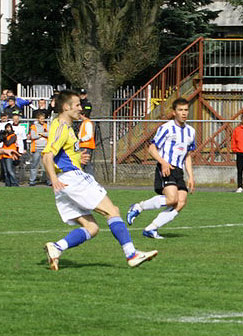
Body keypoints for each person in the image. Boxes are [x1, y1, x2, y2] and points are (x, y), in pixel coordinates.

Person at [41, 90, 157, 270]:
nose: (81, 108)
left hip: (67, 180)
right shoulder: (63, 127)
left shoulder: (63, 126)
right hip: (72, 180)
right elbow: (47, 156)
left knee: (92, 228)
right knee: (113, 211)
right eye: (77, 105)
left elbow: (59, 156)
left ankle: (57, 248)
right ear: (66, 107)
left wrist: (78, 160)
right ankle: (131, 254)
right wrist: (54, 179)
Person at [126, 98, 196, 239]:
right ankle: (139, 207)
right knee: (171, 199)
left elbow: (188, 155)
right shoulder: (166, 128)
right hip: (166, 167)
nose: (184, 113)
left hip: (179, 171)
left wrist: (191, 176)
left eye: (186, 110)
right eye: (180, 110)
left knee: (181, 202)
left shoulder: (191, 131)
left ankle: (151, 228)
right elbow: (152, 148)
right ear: (174, 112)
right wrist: (163, 162)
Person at [29, 110, 49, 186]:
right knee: (34, 165)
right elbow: (33, 136)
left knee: (46, 165)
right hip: (37, 148)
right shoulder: (34, 127)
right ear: (38, 119)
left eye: (43, 119)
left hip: (45, 148)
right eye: (41, 119)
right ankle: (32, 181)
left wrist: (41, 134)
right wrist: (42, 135)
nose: (42, 120)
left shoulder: (47, 126)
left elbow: (50, 134)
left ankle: (48, 180)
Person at [78, 108, 96, 175]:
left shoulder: (87, 123)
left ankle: (90, 177)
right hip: (84, 145)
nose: (79, 116)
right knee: (85, 163)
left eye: (80, 115)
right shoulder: (85, 123)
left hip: (86, 146)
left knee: (85, 163)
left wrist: (81, 139)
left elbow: (89, 135)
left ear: (84, 115)